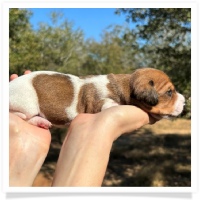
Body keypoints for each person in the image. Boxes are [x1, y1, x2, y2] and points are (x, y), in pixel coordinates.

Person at [9, 71, 157, 187]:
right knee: (25, 105)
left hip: (22, 95)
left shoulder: (102, 88)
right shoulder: (103, 90)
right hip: (23, 93)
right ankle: (21, 114)